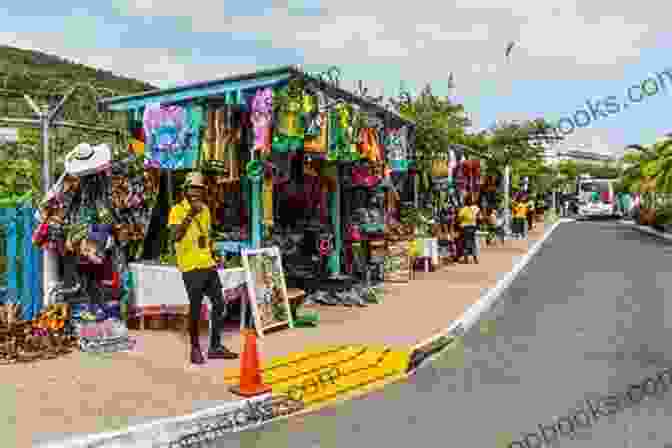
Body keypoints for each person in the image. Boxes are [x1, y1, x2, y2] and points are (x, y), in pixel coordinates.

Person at [169, 172, 238, 365]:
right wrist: (191, 214)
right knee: (196, 309)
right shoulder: (177, 210)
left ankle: (215, 346)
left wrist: (213, 255)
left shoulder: (206, 210)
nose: (196, 192)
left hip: (207, 264)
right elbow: (175, 237)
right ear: (185, 191)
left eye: (199, 189)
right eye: (192, 189)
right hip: (190, 267)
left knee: (219, 304)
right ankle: (195, 348)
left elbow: (206, 237)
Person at [458, 196, 480, 264]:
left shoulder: (464, 209)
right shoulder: (474, 208)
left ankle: (467, 259)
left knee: (466, 244)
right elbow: (478, 215)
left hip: (466, 228)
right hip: (472, 227)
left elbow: (459, 218)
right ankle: (475, 259)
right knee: (472, 243)